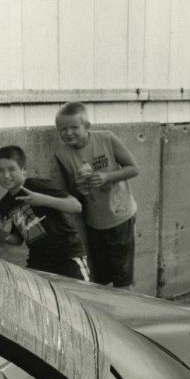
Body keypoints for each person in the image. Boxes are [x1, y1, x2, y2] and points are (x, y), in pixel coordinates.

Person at [53, 102, 139, 289]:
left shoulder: (106, 138)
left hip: (120, 216)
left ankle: (127, 305)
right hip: (94, 222)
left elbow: (133, 168)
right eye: (62, 129)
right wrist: (79, 185)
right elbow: (73, 192)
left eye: (74, 127)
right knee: (101, 277)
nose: (68, 133)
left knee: (123, 277)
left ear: (87, 126)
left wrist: (106, 177)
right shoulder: (62, 154)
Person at [0, 145, 88, 281]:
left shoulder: (36, 186)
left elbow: (76, 206)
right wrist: (5, 235)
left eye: (12, 169)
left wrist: (43, 200)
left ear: (23, 169)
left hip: (67, 254)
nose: (6, 175)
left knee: (80, 292)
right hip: (39, 260)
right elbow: (18, 240)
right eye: (0, 171)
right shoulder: (5, 204)